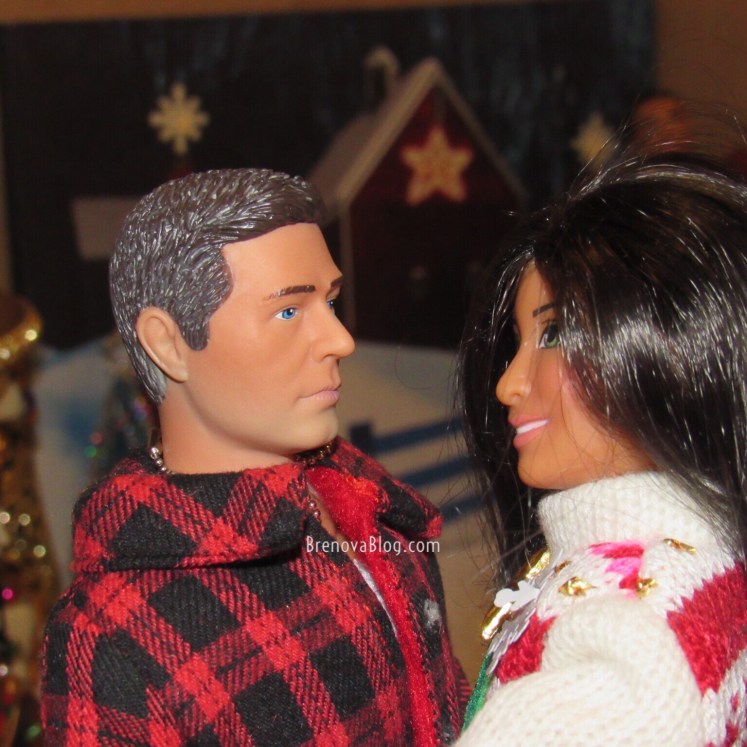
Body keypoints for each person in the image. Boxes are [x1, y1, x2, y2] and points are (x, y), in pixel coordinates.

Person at [41, 168, 467, 746]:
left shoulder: (360, 504)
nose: (340, 340)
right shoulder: (113, 635)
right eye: (288, 311)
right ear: (169, 344)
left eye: (330, 301)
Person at [455, 149, 747, 744]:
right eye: (521, 340)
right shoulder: (695, 564)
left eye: (555, 332)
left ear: (670, 347)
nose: (509, 384)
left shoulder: (627, 635)